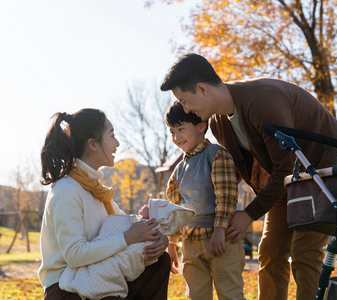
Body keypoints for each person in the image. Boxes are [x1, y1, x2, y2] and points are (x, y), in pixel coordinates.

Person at [160, 54, 337, 300]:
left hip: (324, 175)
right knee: (270, 251)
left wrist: (248, 215)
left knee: (304, 253)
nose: (186, 110)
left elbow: (284, 165)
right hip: (287, 183)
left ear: (201, 89)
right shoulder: (218, 122)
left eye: (184, 101)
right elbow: (237, 170)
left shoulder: (263, 101)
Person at [39, 108, 171, 300]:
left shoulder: (98, 190)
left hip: (100, 275)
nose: (117, 144)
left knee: (159, 261)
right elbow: (74, 255)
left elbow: (128, 227)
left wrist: (158, 240)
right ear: (93, 144)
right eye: (112, 136)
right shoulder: (66, 190)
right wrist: (127, 237)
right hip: (66, 288)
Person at [164, 101, 246, 300]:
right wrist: (172, 243)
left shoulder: (216, 155)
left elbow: (226, 195)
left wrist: (220, 229)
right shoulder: (179, 169)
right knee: (196, 295)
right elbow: (174, 208)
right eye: (172, 131)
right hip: (191, 242)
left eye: (181, 129)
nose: (176, 137)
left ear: (201, 126)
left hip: (220, 239)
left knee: (230, 293)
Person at [59, 198, 195, 300]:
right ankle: (96, 284)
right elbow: (121, 227)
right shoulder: (69, 190)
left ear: (155, 217)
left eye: (149, 206)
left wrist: (162, 239)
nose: (144, 205)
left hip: (110, 269)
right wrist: (128, 236)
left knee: (162, 259)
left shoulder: (102, 193)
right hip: (70, 278)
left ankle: (102, 284)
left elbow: (120, 222)